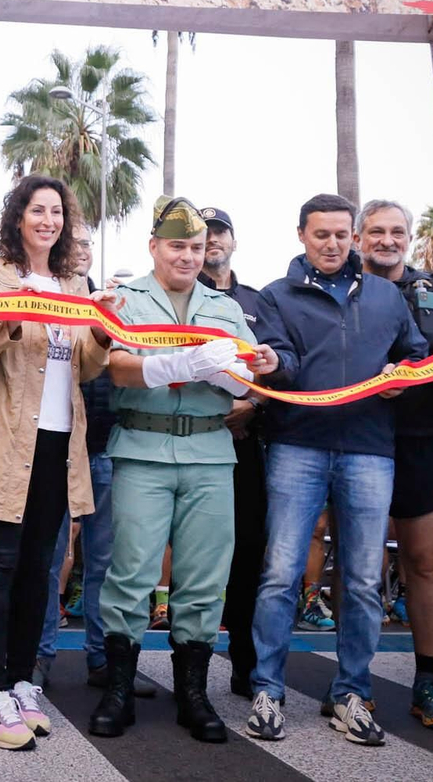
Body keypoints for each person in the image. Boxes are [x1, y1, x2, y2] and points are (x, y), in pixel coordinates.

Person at [0, 174, 114, 753]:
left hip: (58, 446)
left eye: (57, 212)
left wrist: (103, 330)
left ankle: (19, 681)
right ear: (18, 217)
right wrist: (5, 325)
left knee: (39, 568)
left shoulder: (74, 281)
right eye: (37, 210)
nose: (48, 220)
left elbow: (82, 367)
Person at [89, 196, 276, 742]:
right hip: (143, 446)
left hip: (211, 452)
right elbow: (118, 370)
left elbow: (246, 383)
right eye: (177, 246)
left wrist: (249, 371)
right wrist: (183, 363)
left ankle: (193, 693)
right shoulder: (126, 300)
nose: (189, 256)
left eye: (196, 247)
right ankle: (118, 687)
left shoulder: (224, 308)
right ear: (154, 247)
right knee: (131, 572)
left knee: (203, 580)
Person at [246, 193, 427, 747]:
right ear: (301, 234)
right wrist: (275, 365)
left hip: (371, 449)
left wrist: (406, 373)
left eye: (341, 235)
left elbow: (416, 353)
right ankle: (267, 691)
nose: (331, 244)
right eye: (320, 234)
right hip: (297, 446)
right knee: (279, 575)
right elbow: (280, 360)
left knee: (364, 580)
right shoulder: (276, 295)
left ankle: (351, 692)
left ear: (353, 237)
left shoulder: (386, 295)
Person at [354, 200, 433, 730]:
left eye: (396, 231)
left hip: (418, 440)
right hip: (353, 438)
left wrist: (414, 375)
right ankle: (352, 681)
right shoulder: (340, 287)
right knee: (358, 568)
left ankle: (429, 684)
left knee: (423, 562)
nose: (387, 240)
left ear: (408, 238)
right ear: (359, 238)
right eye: (375, 231)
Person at [36, 223, 137, 696]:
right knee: (48, 558)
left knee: (106, 563)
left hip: (107, 447)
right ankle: (38, 657)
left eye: (86, 243)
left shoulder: (113, 305)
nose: (79, 250)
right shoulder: (40, 300)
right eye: (70, 242)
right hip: (57, 448)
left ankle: (103, 659)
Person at [196, 206, 269, 696]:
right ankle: (191, 673)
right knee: (196, 559)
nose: (212, 242)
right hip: (194, 440)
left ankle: (245, 662)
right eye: (203, 236)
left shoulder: (259, 301)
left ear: (233, 241)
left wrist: (252, 404)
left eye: (219, 233)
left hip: (246, 446)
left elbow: (278, 364)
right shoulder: (178, 297)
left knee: (247, 558)